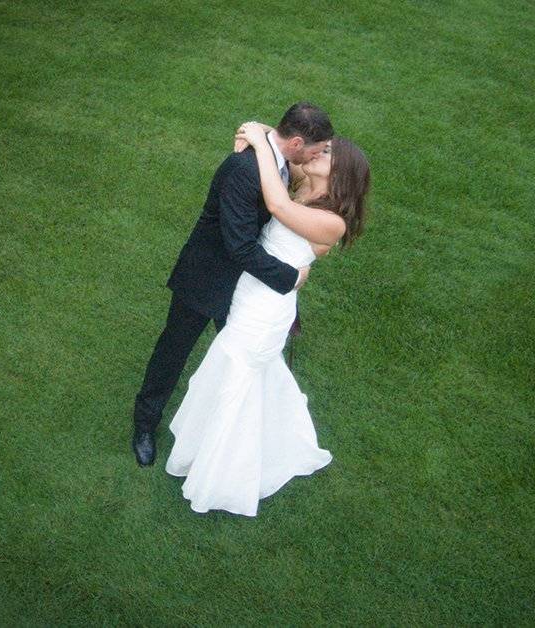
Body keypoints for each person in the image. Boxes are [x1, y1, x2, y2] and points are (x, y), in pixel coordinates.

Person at [164, 121, 370, 516]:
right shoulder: (304, 186)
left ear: (342, 173)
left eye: (326, 153)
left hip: (264, 309)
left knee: (238, 376)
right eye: (318, 149)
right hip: (248, 293)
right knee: (238, 374)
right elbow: (284, 156)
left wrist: (259, 142)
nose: (315, 154)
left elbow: (276, 207)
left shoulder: (332, 221)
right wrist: (259, 134)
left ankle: (222, 474)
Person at [132, 103, 333, 467]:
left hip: (249, 289)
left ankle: (238, 435)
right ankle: (145, 425)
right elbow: (239, 246)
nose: (318, 157)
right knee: (174, 350)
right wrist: (290, 279)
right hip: (207, 277)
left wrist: (257, 129)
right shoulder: (244, 169)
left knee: (247, 361)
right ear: (297, 143)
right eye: (316, 150)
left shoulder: (282, 159)